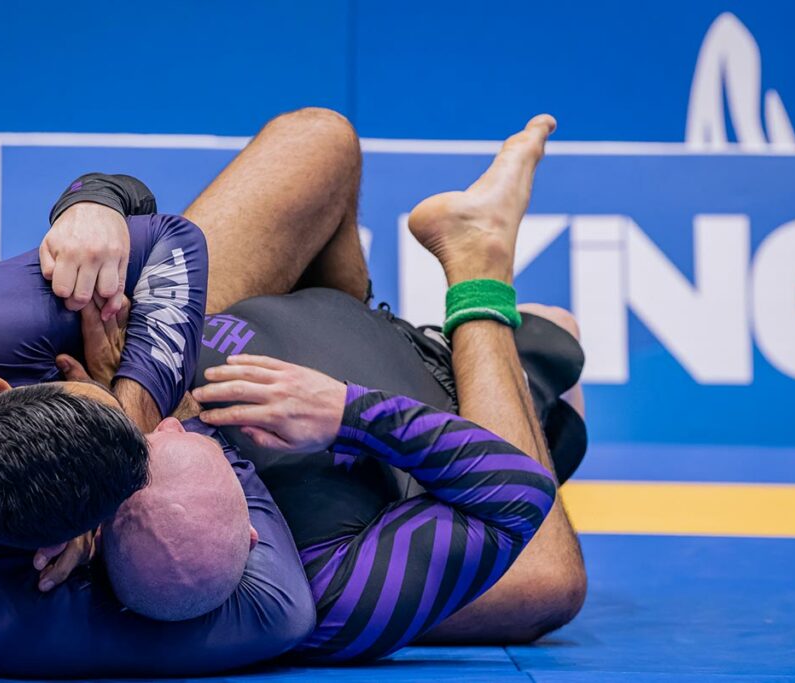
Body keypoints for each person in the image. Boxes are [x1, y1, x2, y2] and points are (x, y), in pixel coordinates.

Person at [47, 110, 586, 658]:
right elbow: (520, 498)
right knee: (542, 572)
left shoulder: (96, 394)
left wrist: (93, 204)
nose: (176, 422)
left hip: (334, 320)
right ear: (253, 540)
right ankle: (480, 260)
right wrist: (347, 414)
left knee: (319, 136)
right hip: (432, 428)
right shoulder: (314, 588)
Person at [0, 178, 315, 676]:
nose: (152, 431)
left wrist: (94, 203)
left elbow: (173, 239)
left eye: (89, 389)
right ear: (62, 544)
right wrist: (183, 434)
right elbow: (281, 609)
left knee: (318, 142)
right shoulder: (15, 625)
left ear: (0, 390)